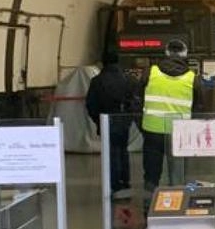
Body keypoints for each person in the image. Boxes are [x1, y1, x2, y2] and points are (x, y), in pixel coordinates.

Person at [140, 39, 203, 197]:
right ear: (185, 54)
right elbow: (199, 107)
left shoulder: (150, 72)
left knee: (151, 175)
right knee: (177, 174)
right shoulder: (192, 78)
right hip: (180, 134)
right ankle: (176, 205)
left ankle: (149, 207)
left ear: (166, 53)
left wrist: (141, 123)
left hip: (152, 132)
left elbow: (136, 99)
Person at [85, 52, 136, 199]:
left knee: (111, 154)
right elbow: (135, 103)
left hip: (106, 122)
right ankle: (125, 183)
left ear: (103, 63)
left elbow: (91, 104)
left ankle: (114, 185)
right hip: (123, 123)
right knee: (123, 152)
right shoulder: (128, 79)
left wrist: (99, 121)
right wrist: (128, 119)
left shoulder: (97, 81)